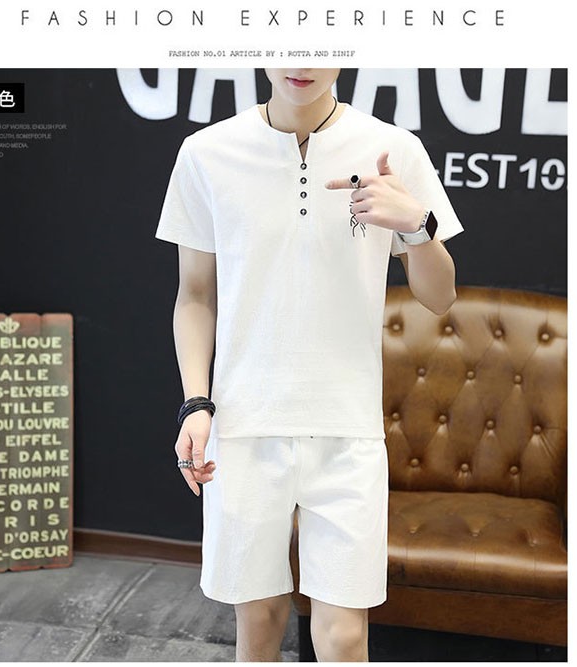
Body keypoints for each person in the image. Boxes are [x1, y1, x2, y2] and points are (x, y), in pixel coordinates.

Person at [155, 68, 463, 662]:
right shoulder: (206, 152)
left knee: (344, 635)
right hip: (243, 426)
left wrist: (417, 226)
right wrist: (196, 402)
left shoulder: (393, 149)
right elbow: (194, 296)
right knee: (259, 622)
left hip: (348, 429)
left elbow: (440, 296)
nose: (303, 60)